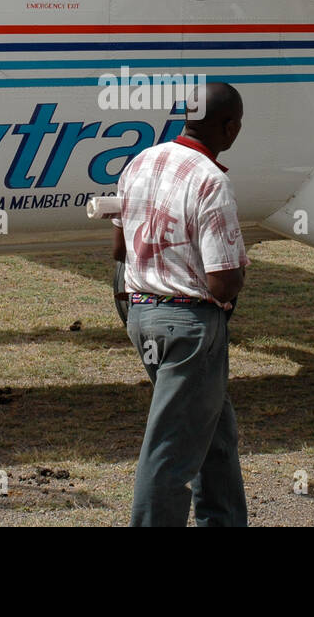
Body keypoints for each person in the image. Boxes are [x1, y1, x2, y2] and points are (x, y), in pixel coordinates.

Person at [112, 82, 248, 526]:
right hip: (190, 327)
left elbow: (120, 248)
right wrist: (243, 268)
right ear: (228, 127)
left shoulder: (140, 162)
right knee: (170, 452)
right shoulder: (211, 180)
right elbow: (223, 283)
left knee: (214, 435)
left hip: (143, 314)